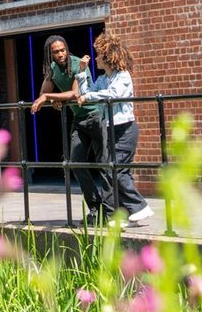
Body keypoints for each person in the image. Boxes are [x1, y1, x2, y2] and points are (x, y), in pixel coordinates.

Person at [29, 35, 108, 222]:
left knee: (105, 164)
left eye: (63, 50)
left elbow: (74, 93)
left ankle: (112, 210)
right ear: (51, 54)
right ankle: (95, 209)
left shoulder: (77, 64)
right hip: (78, 119)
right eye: (56, 52)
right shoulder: (53, 69)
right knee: (75, 162)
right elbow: (42, 92)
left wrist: (51, 97)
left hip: (96, 116)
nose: (61, 54)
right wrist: (52, 97)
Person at [78, 31, 153, 224]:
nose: (95, 58)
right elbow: (90, 94)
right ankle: (121, 214)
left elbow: (112, 94)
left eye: (98, 55)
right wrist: (82, 73)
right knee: (112, 170)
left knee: (117, 170)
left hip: (125, 129)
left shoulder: (123, 76)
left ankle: (139, 206)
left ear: (107, 55)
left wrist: (89, 97)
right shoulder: (103, 78)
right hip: (110, 128)